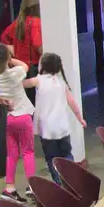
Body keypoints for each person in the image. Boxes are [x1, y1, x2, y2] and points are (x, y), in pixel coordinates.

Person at [0, 42, 37, 201]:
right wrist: (10, 56)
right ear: (8, 57)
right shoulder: (16, 72)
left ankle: (10, 188)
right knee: (28, 151)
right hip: (23, 116)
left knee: (12, 155)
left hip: (7, 119)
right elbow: (25, 65)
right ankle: (32, 186)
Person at [34, 52, 85, 183]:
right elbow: (72, 102)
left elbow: (22, 83)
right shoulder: (62, 83)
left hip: (47, 128)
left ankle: (59, 184)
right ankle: (72, 181)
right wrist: (80, 118)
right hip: (63, 127)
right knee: (67, 154)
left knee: (51, 158)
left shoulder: (39, 80)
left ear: (43, 66)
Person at [0, 0, 43, 103]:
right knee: (36, 102)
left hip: (20, 68)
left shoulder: (18, 22)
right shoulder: (36, 22)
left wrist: (14, 52)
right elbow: (37, 44)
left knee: (25, 101)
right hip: (34, 68)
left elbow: (4, 38)